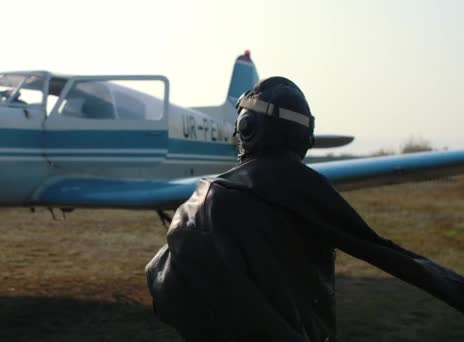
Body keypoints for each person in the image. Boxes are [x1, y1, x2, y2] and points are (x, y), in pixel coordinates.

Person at [145, 77, 464, 342]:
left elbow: (165, 293)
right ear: (304, 138)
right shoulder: (312, 193)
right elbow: (392, 255)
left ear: (246, 129)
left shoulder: (201, 202)